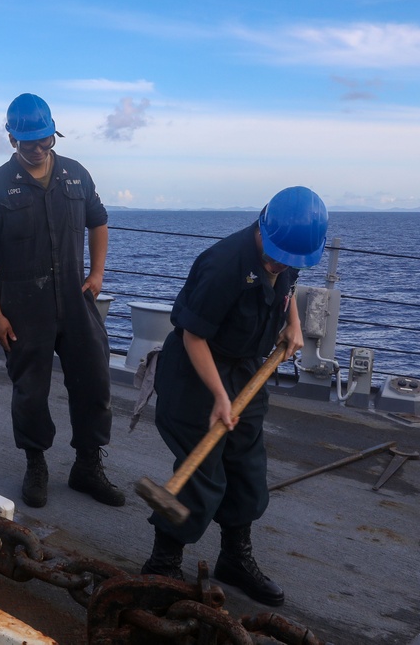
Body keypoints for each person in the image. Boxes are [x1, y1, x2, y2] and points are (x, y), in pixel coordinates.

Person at [139, 186, 329, 607]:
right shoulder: (223, 265)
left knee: (246, 466)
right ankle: (162, 563)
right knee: (202, 475)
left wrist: (293, 323)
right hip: (197, 374)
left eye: (291, 261)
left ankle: (235, 558)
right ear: (263, 226)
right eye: (277, 256)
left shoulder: (287, 254)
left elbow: (286, 286)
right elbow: (193, 335)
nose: (280, 264)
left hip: (247, 371)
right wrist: (220, 396)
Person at [0, 93, 124, 509]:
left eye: (45, 140)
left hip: (76, 301)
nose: (38, 148)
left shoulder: (76, 175)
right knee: (30, 391)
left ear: (54, 134)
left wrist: (96, 273)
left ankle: (88, 466)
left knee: (94, 382)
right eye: (28, 142)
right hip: (22, 304)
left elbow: (99, 220)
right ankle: (36, 464)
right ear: (11, 138)